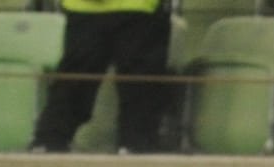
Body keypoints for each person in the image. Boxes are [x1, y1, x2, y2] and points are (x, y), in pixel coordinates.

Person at [30, 0, 171, 153]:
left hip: (87, 8)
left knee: (75, 78)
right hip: (138, 8)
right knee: (139, 82)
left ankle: (49, 142)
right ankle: (136, 146)